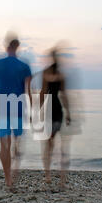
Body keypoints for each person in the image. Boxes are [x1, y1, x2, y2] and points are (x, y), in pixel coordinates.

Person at [0, 33, 32, 191]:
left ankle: (8, 180)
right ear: (17, 47)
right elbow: (28, 91)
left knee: (4, 144)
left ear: (7, 47)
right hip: (18, 106)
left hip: (1, 106)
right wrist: (31, 110)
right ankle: (14, 171)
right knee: (16, 141)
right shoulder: (24, 66)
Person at [40, 47, 71, 189]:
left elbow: (45, 92)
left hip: (53, 109)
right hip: (54, 109)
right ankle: (52, 176)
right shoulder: (57, 74)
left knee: (51, 144)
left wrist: (68, 112)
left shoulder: (49, 73)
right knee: (53, 143)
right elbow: (60, 94)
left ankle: (50, 176)